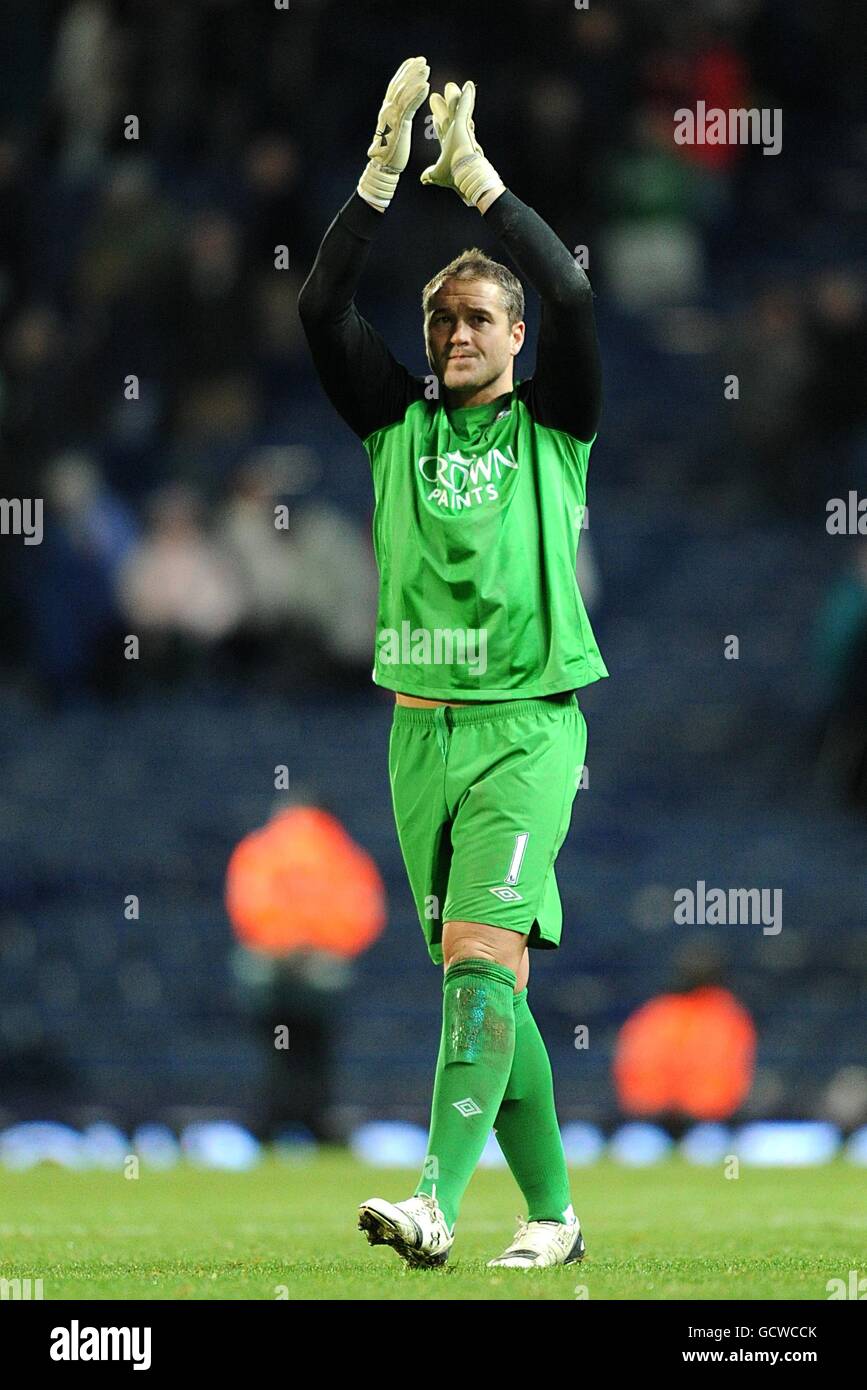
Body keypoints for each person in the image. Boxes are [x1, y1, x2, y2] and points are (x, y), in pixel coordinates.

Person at [298, 58, 606, 1270]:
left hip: (529, 724)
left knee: (481, 959)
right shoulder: (396, 424)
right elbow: (321, 311)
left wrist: (476, 184)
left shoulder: (556, 427)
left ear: (514, 340)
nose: (460, 333)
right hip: (417, 733)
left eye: (481, 318)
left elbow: (578, 298)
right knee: (484, 982)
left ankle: (435, 1199)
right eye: (443, 321)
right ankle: (558, 1216)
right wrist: (377, 180)